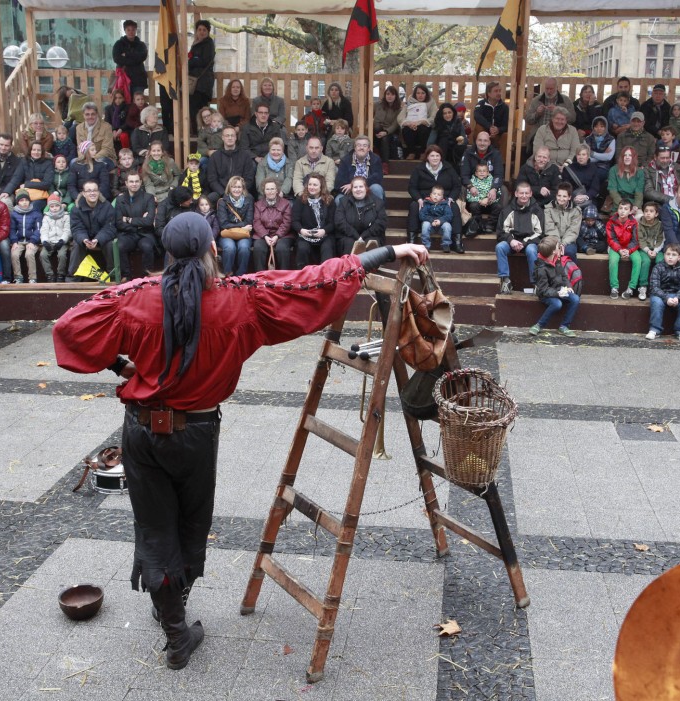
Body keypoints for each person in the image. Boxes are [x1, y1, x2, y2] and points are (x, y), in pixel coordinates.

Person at [52, 212, 428, 673]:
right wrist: (388, 252)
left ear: (167, 255)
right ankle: (175, 625)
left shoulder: (134, 296)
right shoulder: (242, 298)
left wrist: (121, 365)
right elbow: (313, 282)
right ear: (213, 250)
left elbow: (69, 328)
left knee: (155, 528)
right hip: (195, 433)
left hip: (141, 432)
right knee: (190, 526)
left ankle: (172, 619)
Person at [407, 145, 463, 251]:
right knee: (414, 206)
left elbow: (457, 186)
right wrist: (418, 199)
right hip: (425, 200)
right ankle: (411, 239)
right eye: (432, 156)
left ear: (441, 157)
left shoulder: (448, 168)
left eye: (437, 155)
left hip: (444, 200)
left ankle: (457, 241)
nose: (435, 158)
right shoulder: (419, 169)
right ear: (427, 157)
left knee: (454, 207)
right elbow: (412, 187)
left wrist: (451, 198)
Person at [495, 181, 544, 294]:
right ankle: (505, 280)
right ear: (516, 194)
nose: (524, 196)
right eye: (521, 193)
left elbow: (540, 233)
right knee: (500, 247)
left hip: (529, 243)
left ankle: (535, 283)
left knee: (532, 250)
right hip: (511, 242)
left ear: (531, 194)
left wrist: (524, 243)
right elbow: (501, 232)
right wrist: (511, 240)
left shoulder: (537, 210)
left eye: (526, 193)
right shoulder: (507, 210)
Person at [530, 236, 581, 337]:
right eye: (558, 246)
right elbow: (544, 290)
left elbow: (564, 275)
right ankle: (539, 325)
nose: (560, 247)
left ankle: (564, 326)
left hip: (559, 290)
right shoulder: (541, 268)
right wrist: (558, 294)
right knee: (557, 304)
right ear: (553, 251)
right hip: (546, 294)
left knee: (575, 299)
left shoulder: (556, 259)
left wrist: (568, 286)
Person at [68, 181, 117, 281]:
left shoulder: (107, 206)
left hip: (102, 238)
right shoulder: (76, 209)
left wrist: (97, 239)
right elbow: (77, 228)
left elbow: (109, 228)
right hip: (85, 238)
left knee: (110, 245)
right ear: (84, 193)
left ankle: (112, 276)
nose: (92, 193)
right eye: (89, 191)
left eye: (95, 190)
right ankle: (73, 278)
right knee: (77, 245)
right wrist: (84, 239)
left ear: (98, 192)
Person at [645, 243, 680, 342]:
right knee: (656, 303)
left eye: (674, 255)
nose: (670, 257)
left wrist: (677, 297)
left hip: (677, 294)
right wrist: (666, 298)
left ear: (679, 257)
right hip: (660, 294)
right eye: (668, 254)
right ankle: (654, 330)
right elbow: (654, 287)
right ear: (664, 255)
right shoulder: (658, 267)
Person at [116, 172, 158, 280]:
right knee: (120, 246)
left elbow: (148, 221)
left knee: (147, 247)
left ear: (140, 182)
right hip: (127, 234)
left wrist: (128, 219)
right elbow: (119, 222)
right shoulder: (120, 199)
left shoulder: (149, 198)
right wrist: (139, 224)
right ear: (126, 183)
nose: (134, 184)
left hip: (145, 234)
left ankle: (147, 276)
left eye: (136, 181)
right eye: (131, 181)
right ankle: (126, 276)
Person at [334, 176, 386, 256]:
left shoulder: (378, 202)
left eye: (361, 186)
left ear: (366, 188)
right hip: (349, 235)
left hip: (371, 235)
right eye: (355, 187)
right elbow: (340, 222)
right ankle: (351, 263)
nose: (358, 189)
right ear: (351, 189)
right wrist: (356, 236)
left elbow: (381, 223)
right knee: (349, 242)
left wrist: (363, 236)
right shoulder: (343, 202)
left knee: (371, 242)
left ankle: (370, 263)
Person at [293, 173, 336, 268]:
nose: (311, 187)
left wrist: (324, 231)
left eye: (315, 185)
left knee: (327, 248)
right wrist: (301, 230)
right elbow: (295, 221)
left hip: (324, 234)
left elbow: (332, 222)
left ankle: (325, 274)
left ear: (321, 187)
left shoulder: (329, 201)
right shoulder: (300, 200)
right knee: (302, 248)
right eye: (310, 184)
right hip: (305, 235)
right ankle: (303, 274)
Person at [206, 126, 257, 203]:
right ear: (222, 138)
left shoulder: (245, 156)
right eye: (227, 135)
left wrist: (238, 191)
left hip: (240, 192)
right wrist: (223, 193)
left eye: (232, 135)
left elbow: (249, 179)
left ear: (236, 138)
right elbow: (212, 180)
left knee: (250, 198)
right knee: (210, 198)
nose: (230, 138)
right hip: (221, 193)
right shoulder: (215, 157)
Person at [606, 199, 645, 300]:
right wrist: (619, 250)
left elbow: (636, 240)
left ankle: (631, 288)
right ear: (617, 209)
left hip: (630, 247)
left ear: (630, 211)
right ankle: (614, 287)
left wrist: (628, 250)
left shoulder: (634, 223)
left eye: (626, 209)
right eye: (620, 208)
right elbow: (611, 239)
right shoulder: (611, 222)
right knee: (613, 260)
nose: (622, 211)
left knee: (638, 260)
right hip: (616, 247)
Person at [251, 178, 293, 271]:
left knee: (282, 248)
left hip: (282, 235)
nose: (270, 191)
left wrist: (277, 236)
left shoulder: (286, 203)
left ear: (277, 190)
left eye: (272, 189)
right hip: (263, 235)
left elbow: (287, 222)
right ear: (264, 191)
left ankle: (283, 275)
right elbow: (256, 222)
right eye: (268, 189)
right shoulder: (258, 204)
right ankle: (260, 276)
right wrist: (265, 236)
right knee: (258, 248)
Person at [216, 176, 254, 276]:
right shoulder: (222, 201)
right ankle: (228, 274)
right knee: (229, 248)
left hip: (243, 234)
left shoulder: (249, 200)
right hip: (227, 234)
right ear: (229, 188)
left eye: (239, 187)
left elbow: (249, 221)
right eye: (234, 187)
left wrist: (238, 227)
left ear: (243, 188)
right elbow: (223, 224)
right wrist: (241, 227)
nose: (236, 189)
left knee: (244, 247)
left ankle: (241, 275)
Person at [8, 142, 54, 214]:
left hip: (40, 196)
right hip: (26, 194)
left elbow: (47, 184)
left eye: (39, 150)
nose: (36, 152)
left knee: (33, 207)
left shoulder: (48, 163)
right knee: (19, 207)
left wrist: (27, 184)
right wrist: (7, 191)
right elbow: (16, 178)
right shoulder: (24, 161)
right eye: (34, 150)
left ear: (42, 152)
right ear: (30, 151)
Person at [334, 136, 384, 202]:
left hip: (368, 190)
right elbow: (339, 183)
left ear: (368, 148)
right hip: (351, 192)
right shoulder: (345, 160)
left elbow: (378, 178)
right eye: (359, 145)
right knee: (338, 199)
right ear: (355, 148)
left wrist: (361, 185)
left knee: (376, 188)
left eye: (365, 145)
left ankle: (377, 209)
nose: (361, 148)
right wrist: (354, 187)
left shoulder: (375, 159)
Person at [9, 191, 43, 284]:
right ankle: (18, 277)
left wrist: (33, 241)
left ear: (29, 201)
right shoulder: (14, 214)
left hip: (32, 241)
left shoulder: (36, 214)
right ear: (17, 202)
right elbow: (12, 229)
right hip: (19, 241)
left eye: (26, 200)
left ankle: (32, 278)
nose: (24, 202)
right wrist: (14, 241)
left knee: (29, 254)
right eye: (21, 200)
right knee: (14, 254)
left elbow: (38, 229)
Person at [544, 181, 580, 263]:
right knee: (548, 251)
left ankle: (571, 271)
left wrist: (563, 244)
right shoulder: (548, 209)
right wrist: (557, 244)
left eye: (564, 196)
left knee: (569, 252)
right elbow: (550, 229)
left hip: (569, 241)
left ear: (569, 197)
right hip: (552, 240)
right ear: (556, 195)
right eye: (559, 195)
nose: (561, 198)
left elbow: (573, 231)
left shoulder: (576, 210)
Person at [188, 20, 216, 125]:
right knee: (194, 109)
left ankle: (202, 130)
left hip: (203, 83)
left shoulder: (208, 44)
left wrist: (192, 61)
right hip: (195, 83)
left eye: (204, 30)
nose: (201, 32)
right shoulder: (196, 43)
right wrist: (193, 59)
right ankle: (197, 130)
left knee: (201, 110)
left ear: (208, 32)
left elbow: (204, 61)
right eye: (199, 29)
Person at [399, 84, 437, 160]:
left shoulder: (431, 102)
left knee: (423, 128)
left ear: (426, 94)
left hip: (424, 127)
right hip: (411, 125)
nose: (420, 95)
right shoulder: (410, 101)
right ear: (415, 94)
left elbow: (434, 117)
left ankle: (423, 152)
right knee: (406, 129)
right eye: (418, 93)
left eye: (423, 93)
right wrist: (407, 123)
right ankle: (411, 152)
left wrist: (422, 121)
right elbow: (401, 116)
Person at [40, 193, 71, 282]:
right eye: (52, 206)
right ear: (49, 207)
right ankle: (49, 274)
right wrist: (45, 241)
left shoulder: (66, 216)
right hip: (50, 241)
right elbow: (44, 230)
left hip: (62, 241)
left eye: (56, 206)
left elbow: (67, 230)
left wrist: (62, 240)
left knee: (62, 255)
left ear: (60, 206)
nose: (54, 208)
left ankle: (61, 274)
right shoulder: (46, 217)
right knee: (43, 255)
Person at [113, 20, 149, 98]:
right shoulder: (119, 44)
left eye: (133, 29)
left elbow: (143, 56)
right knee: (124, 101)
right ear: (125, 30)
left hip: (138, 79)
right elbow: (116, 58)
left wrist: (126, 54)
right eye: (128, 30)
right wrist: (135, 59)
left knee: (138, 101)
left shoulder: (141, 45)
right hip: (123, 77)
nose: (131, 32)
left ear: (136, 30)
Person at [464, 162, 500, 237]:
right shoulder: (472, 182)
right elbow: (469, 196)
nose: (482, 173)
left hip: (489, 203)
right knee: (473, 206)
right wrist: (480, 200)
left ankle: (490, 225)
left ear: (488, 173)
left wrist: (488, 200)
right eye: (479, 171)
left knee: (498, 206)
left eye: (484, 171)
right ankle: (479, 225)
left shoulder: (492, 181)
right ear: (476, 173)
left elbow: (498, 194)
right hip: (478, 204)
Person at [604, 146, 643, 215]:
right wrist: (623, 206)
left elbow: (639, 192)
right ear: (622, 157)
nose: (627, 157)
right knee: (621, 217)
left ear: (634, 158)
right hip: (618, 203)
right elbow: (613, 191)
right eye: (625, 155)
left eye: (630, 155)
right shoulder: (613, 170)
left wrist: (636, 206)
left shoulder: (639, 172)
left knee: (639, 216)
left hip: (633, 204)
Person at [637, 201, 664, 300]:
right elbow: (640, 240)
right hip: (644, 250)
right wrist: (648, 251)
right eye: (646, 211)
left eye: (651, 211)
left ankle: (659, 286)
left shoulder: (660, 225)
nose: (648, 213)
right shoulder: (639, 224)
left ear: (656, 214)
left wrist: (655, 251)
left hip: (657, 249)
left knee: (661, 261)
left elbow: (661, 239)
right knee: (645, 261)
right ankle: (642, 286)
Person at [430, 103, 467, 170]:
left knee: (462, 145)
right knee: (444, 139)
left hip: (455, 150)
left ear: (453, 112)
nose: (447, 115)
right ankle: (442, 164)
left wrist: (460, 142)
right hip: (442, 149)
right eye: (445, 113)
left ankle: (457, 164)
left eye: (449, 112)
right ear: (441, 115)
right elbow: (431, 141)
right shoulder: (438, 123)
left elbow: (464, 138)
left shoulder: (458, 122)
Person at [473, 82, 509, 151]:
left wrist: (498, 130)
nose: (498, 93)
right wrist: (489, 127)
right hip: (484, 134)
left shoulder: (504, 107)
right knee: (478, 127)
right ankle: (478, 154)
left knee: (506, 135)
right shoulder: (481, 104)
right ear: (489, 93)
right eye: (496, 91)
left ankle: (502, 158)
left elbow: (506, 125)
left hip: (497, 135)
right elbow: (477, 116)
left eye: (499, 91)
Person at [373, 87, 401, 172]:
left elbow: (395, 124)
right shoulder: (377, 105)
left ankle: (385, 164)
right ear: (385, 95)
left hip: (390, 132)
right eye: (388, 94)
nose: (390, 96)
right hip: (377, 130)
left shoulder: (399, 109)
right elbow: (369, 116)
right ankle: (376, 149)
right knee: (377, 127)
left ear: (395, 96)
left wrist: (386, 132)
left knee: (384, 139)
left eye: (392, 94)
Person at [420, 185, 453, 252]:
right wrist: (431, 220)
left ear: (442, 197)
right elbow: (422, 215)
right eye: (434, 194)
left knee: (447, 226)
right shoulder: (426, 203)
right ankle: (426, 245)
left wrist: (440, 221)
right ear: (430, 195)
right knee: (425, 224)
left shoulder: (445, 204)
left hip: (441, 226)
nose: (436, 196)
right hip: (430, 226)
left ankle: (446, 244)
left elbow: (449, 215)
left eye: (438, 195)